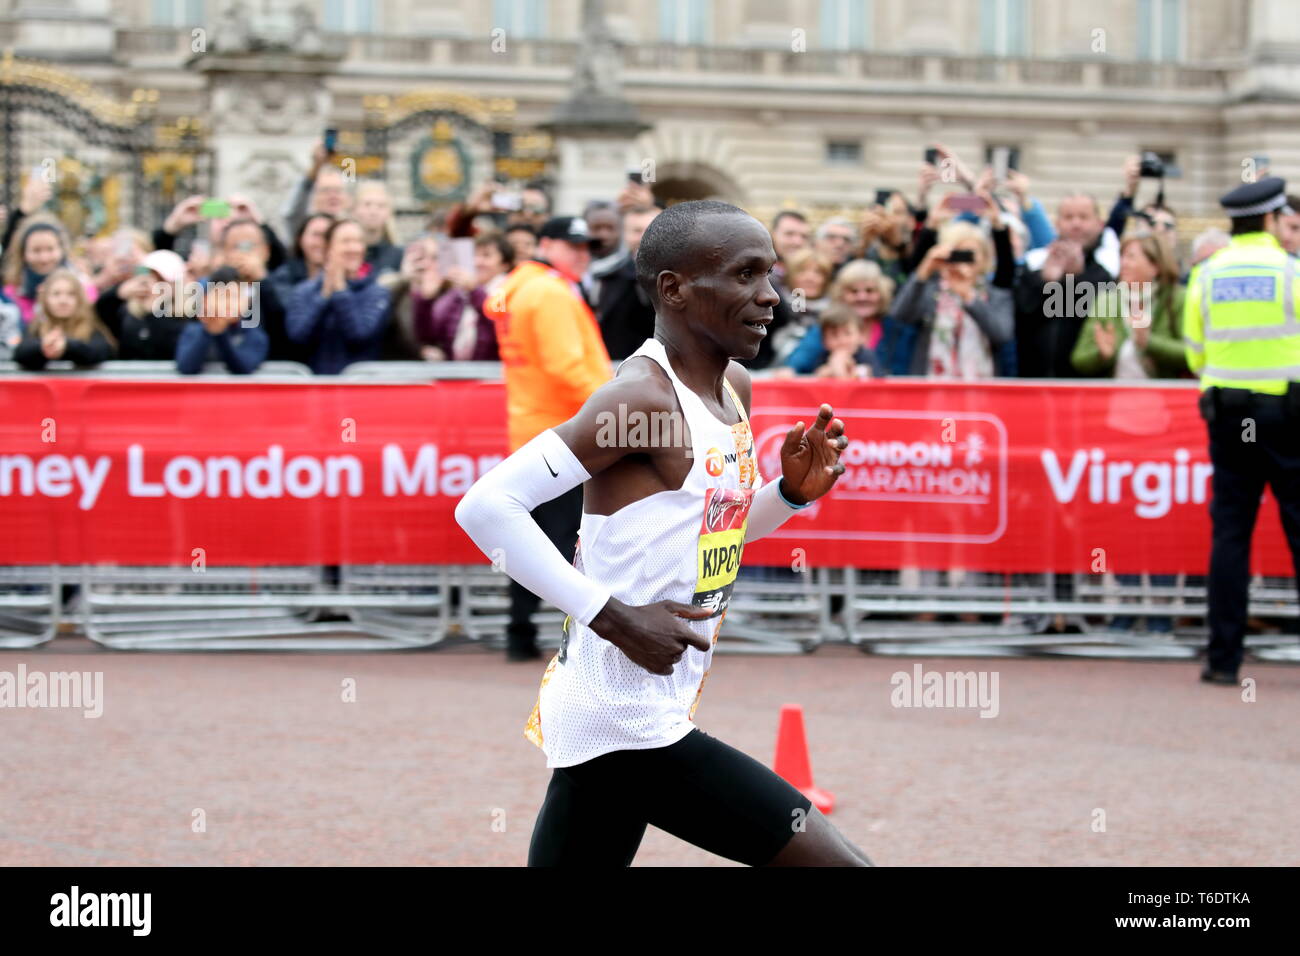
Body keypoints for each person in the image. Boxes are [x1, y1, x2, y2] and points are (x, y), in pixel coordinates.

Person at [455, 199, 870, 867]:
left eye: (770, 275)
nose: (770, 297)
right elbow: (486, 506)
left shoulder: (736, 387)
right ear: (674, 288)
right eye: (744, 276)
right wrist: (613, 617)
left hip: (634, 710)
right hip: (626, 720)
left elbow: (712, 538)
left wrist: (788, 496)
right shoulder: (639, 400)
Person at [1183, 177, 1300, 685]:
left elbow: (1194, 353)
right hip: (1286, 416)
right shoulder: (1291, 271)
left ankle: (1223, 660)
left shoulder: (1206, 275)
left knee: (1231, 535)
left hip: (1231, 418)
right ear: (1273, 220)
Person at [484, 216, 613, 662]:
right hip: (567, 432)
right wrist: (614, 405)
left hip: (534, 428)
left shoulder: (520, 287)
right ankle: (572, 636)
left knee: (538, 538)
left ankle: (520, 632)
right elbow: (567, 367)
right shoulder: (550, 292)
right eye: (572, 245)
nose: (582, 254)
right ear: (546, 244)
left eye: (586, 247)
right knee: (564, 539)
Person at [891, 222, 1014, 378]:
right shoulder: (932, 291)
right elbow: (900, 314)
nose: (964, 260)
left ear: (984, 258)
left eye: (970, 254)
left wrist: (969, 296)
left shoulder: (996, 295)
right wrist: (924, 270)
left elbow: (1002, 335)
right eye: (958, 253)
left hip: (981, 385)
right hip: (934, 383)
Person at [1015, 194, 1117, 377]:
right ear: (1057, 223)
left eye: (1083, 217)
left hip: (1083, 385)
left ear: (1098, 224)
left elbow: (1091, 321)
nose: (1076, 224)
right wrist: (1046, 282)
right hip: (1034, 381)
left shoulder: (1105, 274)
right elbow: (1022, 316)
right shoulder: (1034, 266)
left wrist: (1075, 280)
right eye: (1068, 217)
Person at [1071, 234, 1187, 379]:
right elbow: (1079, 360)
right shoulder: (1106, 301)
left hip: (1165, 398)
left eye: (1131, 257)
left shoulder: (1177, 299)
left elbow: (1193, 354)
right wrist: (1102, 355)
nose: (1124, 263)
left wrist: (1148, 342)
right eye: (1122, 257)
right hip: (1115, 397)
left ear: (1155, 266)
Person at [285, 218, 391, 374]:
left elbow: (359, 334)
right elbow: (298, 336)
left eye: (358, 241)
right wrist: (324, 296)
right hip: (314, 388)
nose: (353, 248)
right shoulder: (304, 291)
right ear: (328, 248)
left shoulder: (377, 292)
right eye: (346, 241)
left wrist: (340, 290)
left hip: (360, 387)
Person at [418, 233, 510, 362]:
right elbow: (432, 334)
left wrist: (474, 291)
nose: (477, 262)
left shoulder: (505, 290)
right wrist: (426, 300)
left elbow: (499, 327)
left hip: (493, 375)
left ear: (504, 264)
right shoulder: (460, 292)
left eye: (486, 255)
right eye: (475, 255)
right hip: (460, 374)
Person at [2, 214, 98, 324]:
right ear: (23, 253)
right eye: (36, 250)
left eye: (50, 249)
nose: (44, 258)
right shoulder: (12, 292)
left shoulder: (82, 285)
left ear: (62, 250)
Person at [95, 249, 189, 361]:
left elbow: (166, 348)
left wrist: (154, 310)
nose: (151, 285)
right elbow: (100, 312)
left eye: (159, 280)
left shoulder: (186, 317)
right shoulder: (126, 313)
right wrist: (118, 293)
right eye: (146, 278)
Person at [12, 268, 116, 369]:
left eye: (71, 294)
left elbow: (99, 352)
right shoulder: (36, 326)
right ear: (45, 299)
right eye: (56, 294)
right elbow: (20, 352)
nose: (63, 300)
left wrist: (67, 346)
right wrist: (43, 347)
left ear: (79, 299)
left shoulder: (92, 326)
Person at [594, 205, 661, 360]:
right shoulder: (606, 278)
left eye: (650, 230)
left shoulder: (681, 277)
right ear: (625, 234)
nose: (644, 237)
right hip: (617, 364)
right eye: (637, 231)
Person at [175, 266, 269, 374]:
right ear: (206, 300)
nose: (228, 303)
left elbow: (244, 367)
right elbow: (186, 367)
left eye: (235, 296)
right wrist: (208, 331)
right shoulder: (193, 330)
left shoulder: (253, 333)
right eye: (221, 296)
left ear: (247, 302)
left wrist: (220, 332)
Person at [813, 302, 884, 379]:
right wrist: (831, 368)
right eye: (834, 335)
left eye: (848, 333)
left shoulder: (867, 356)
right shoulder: (822, 357)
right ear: (824, 341)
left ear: (861, 335)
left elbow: (877, 378)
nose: (842, 340)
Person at [353, 181, 404, 275]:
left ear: (389, 212)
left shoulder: (399, 255)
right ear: (355, 209)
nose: (373, 211)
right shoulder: (348, 252)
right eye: (367, 204)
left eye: (381, 206)